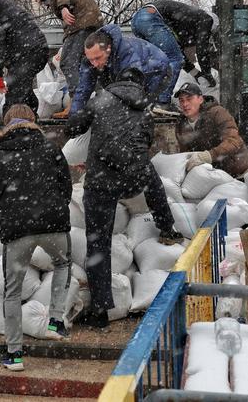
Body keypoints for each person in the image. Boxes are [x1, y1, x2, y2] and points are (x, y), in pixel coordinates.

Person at [67, 68, 183, 328]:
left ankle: (100, 310)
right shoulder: (146, 108)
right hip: (134, 178)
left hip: (102, 180)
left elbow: (72, 127)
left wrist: (91, 129)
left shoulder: (100, 100)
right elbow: (147, 142)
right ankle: (167, 228)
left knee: (98, 243)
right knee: (154, 182)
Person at [0, 104, 73, 371]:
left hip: (17, 230)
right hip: (53, 224)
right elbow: (66, 186)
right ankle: (56, 320)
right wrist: (55, 211)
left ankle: (14, 355)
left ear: (6, 124)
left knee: (12, 292)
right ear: (33, 122)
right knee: (63, 263)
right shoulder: (51, 148)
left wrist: (3, 226)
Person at [29, 0, 103, 116]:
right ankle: (96, 100)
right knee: (86, 64)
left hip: (82, 23)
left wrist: (63, 7)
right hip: (88, 23)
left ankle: (76, 104)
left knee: (68, 62)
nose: (38, 2)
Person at [69, 24, 170, 116]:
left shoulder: (127, 53)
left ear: (108, 49)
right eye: (91, 59)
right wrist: (74, 117)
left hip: (157, 72)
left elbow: (131, 92)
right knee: (109, 101)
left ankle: (152, 110)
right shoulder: (90, 61)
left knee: (133, 109)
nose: (94, 64)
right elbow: (83, 90)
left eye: (97, 58)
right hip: (122, 70)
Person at [174, 82, 248, 177]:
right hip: (212, 175)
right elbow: (185, 153)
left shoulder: (217, 113)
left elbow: (234, 141)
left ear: (200, 99)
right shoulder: (181, 124)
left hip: (238, 171)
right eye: (181, 100)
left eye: (189, 99)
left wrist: (209, 156)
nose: (185, 104)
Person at [148, 0, 219, 87]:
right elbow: (201, 50)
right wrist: (207, 74)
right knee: (174, 59)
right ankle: (165, 94)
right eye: (209, 32)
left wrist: (196, 74)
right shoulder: (207, 19)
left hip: (140, 18)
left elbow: (180, 54)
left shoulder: (181, 27)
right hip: (152, 14)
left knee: (153, 61)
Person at [130, 3, 185, 105]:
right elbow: (179, 56)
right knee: (175, 58)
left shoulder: (182, 18)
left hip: (135, 20)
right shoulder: (204, 20)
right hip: (149, 17)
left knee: (154, 61)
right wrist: (204, 73)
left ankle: (148, 99)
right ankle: (163, 101)